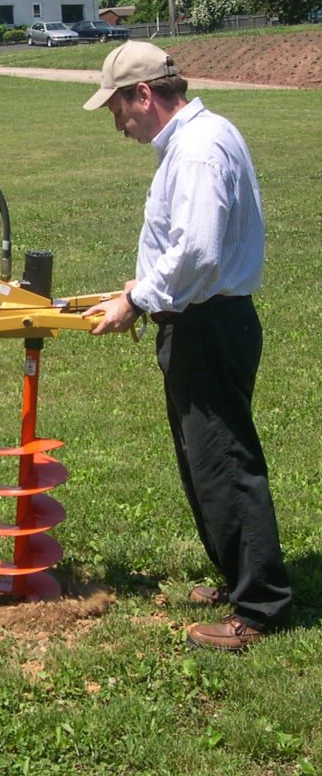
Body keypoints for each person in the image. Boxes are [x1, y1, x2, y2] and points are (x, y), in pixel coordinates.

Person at [80, 41, 292, 651]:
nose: (117, 123)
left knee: (224, 460)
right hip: (202, 318)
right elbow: (190, 247)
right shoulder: (198, 139)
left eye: (117, 107)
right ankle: (237, 579)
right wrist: (145, 285)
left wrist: (139, 301)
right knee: (205, 461)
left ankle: (260, 608)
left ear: (144, 94)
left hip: (207, 325)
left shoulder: (197, 149)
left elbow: (197, 251)